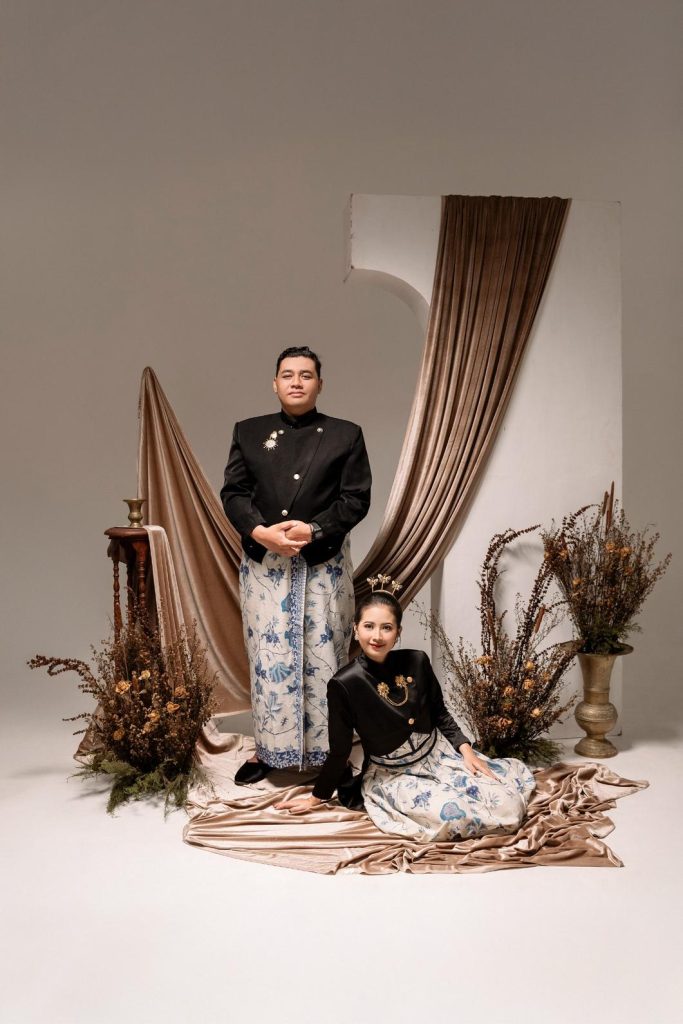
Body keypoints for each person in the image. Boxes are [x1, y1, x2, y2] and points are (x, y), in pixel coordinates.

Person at [275, 583, 536, 841]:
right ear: (355, 629)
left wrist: (466, 750)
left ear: (398, 632)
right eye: (369, 626)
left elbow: (440, 712)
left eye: (386, 628)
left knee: (507, 803)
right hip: (393, 774)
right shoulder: (344, 684)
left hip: (439, 756)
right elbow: (340, 749)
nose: (377, 636)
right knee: (455, 816)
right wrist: (316, 797)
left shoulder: (417, 660)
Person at [221, 346, 371, 784]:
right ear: (275, 384)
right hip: (265, 565)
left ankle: (333, 756)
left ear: (320, 384)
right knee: (269, 658)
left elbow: (355, 499)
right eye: (288, 375)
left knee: (327, 657)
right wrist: (260, 532)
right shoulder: (249, 431)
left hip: (324, 565)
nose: (297, 382)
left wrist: (315, 530)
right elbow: (234, 494)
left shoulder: (346, 434)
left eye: (306, 375)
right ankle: (270, 751)